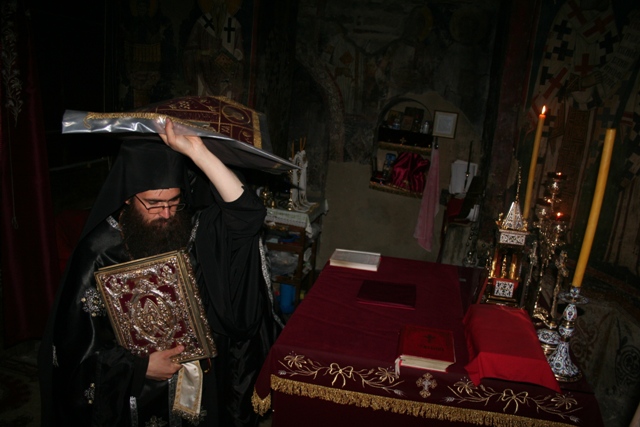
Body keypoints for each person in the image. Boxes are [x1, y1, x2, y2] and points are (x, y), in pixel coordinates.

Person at [38, 119, 280, 426]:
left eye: (174, 202)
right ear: (128, 196)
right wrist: (138, 367)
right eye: (153, 203)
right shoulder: (100, 250)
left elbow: (248, 214)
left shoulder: (192, 229)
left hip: (200, 390)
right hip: (134, 399)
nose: (166, 214)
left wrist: (198, 152)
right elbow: (76, 349)